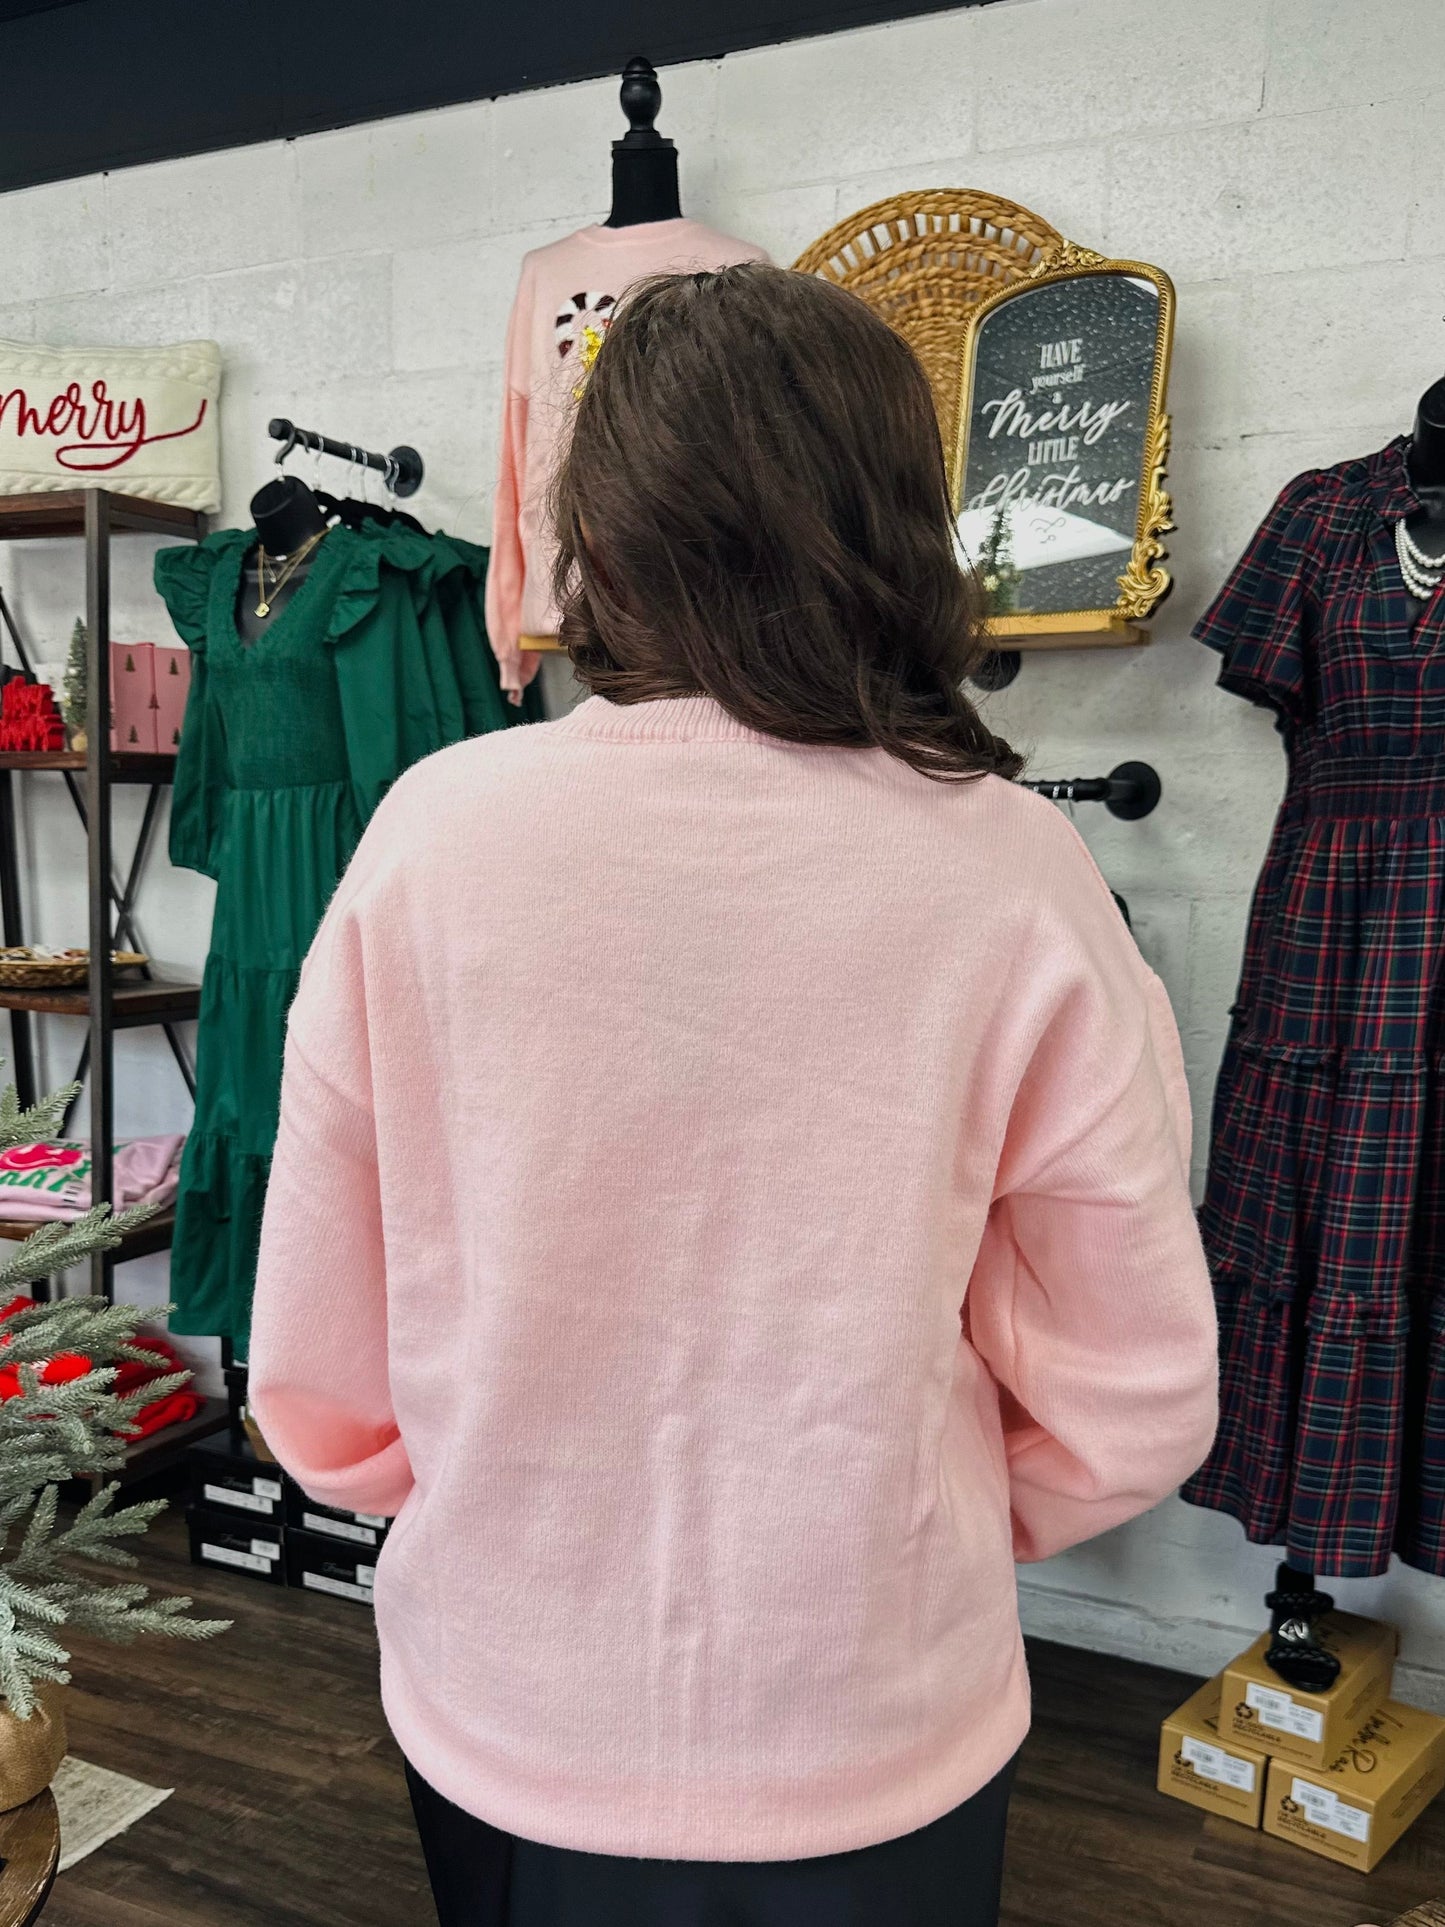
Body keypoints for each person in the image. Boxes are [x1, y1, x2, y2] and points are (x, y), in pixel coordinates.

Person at [249, 262, 1218, 1927]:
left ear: (600, 537)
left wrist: (500, 1511)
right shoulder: (1012, 872)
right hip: (872, 1706)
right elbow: (1128, 1386)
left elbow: (324, 1367)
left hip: (508, 1685)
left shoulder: (435, 835)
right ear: (903, 525)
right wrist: (918, 1518)